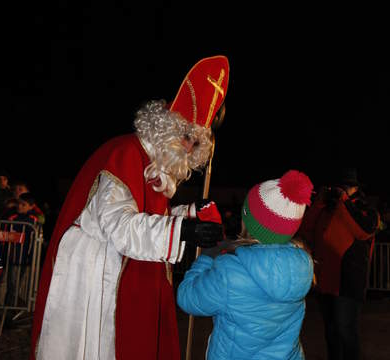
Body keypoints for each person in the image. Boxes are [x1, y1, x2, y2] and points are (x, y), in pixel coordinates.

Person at [30, 55, 229, 360]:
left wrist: (187, 214)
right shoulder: (125, 153)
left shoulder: (154, 165)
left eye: (196, 144)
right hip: (95, 274)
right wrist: (182, 229)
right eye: (187, 137)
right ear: (166, 126)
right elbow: (121, 226)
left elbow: (149, 219)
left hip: (122, 265)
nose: (189, 148)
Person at [177, 170, 315, 360]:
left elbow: (187, 297)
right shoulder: (303, 265)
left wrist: (207, 256)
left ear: (249, 221)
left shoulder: (230, 272)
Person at [297, 168, 379, 360]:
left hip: (348, 283)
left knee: (346, 332)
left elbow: (363, 231)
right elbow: (306, 229)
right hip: (326, 282)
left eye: (346, 187)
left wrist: (343, 202)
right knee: (331, 333)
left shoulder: (365, 209)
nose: (342, 191)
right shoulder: (327, 208)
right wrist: (319, 203)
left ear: (356, 188)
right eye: (339, 188)